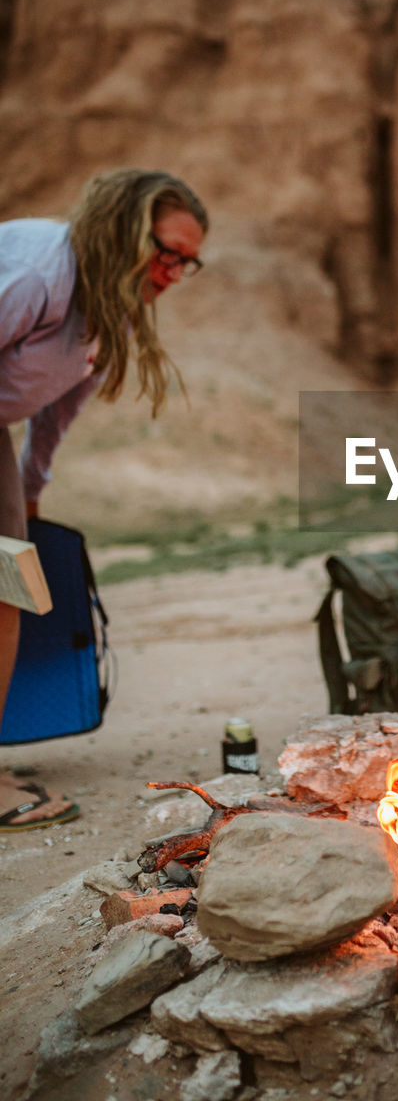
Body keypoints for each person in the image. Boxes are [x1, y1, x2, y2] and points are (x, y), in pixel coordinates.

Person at [0, 169, 208, 829]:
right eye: (166, 251)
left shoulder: (110, 312)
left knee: (12, 586)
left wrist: (28, 499)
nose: (172, 272)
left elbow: (55, 415)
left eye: (187, 262)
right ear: (125, 222)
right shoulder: (38, 273)